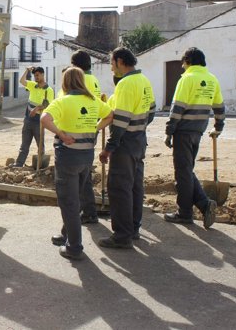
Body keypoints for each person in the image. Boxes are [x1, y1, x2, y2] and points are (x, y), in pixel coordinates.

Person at [41, 67, 113, 260]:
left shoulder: (63, 101)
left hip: (68, 158)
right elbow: (109, 115)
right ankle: (66, 234)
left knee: (69, 201)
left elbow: (44, 118)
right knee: (76, 197)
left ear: (65, 82)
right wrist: (95, 128)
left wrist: (62, 134)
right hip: (86, 158)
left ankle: (74, 247)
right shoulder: (92, 101)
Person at [98, 47, 156, 249]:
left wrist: (108, 148)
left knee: (119, 188)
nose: (111, 68)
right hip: (139, 140)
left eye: (112, 63)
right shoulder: (144, 81)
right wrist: (139, 128)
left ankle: (122, 235)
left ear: (120, 61)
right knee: (134, 186)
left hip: (126, 143)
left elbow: (121, 120)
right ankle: (133, 228)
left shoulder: (125, 84)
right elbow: (152, 111)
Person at [164, 47, 225, 229]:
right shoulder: (212, 79)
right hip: (198, 130)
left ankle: (185, 213)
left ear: (188, 61)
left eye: (183, 63)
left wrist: (169, 130)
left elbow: (177, 108)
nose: (182, 67)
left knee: (183, 173)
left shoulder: (187, 79)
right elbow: (220, 107)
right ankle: (204, 204)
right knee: (187, 170)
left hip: (183, 130)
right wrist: (218, 127)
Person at [70, 50, 104, 224]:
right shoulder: (94, 80)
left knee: (79, 175)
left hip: (78, 131)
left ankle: (86, 212)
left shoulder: (79, 79)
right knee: (84, 173)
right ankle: (88, 210)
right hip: (91, 129)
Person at [12, 66, 54, 167]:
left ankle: (41, 166)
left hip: (39, 121)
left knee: (40, 145)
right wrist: (27, 70)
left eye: (38, 75)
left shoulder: (49, 90)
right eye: (35, 75)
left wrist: (36, 109)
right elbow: (22, 81)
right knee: (24, 144)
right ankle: (19, 164)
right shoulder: (32, 85)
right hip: (28, 119)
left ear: (43, 74)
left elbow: (47, 105)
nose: (36, 77)